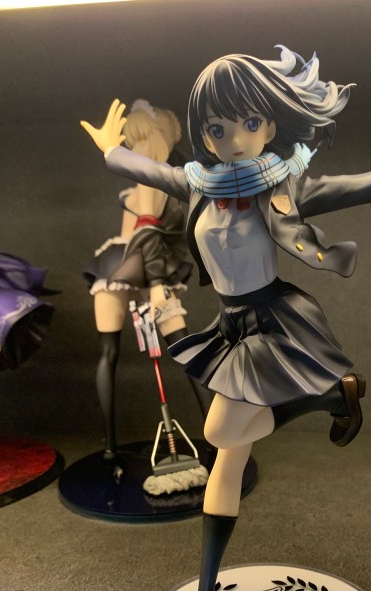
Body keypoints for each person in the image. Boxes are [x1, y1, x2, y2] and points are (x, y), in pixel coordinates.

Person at [81, 45, 371, 591]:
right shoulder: (199, 182)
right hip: (232, 324)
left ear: (270, 123)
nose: (233, 140)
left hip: (274, 321)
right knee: (227, 459)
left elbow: (363, 186)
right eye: (218, 127)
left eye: (248, 123)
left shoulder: (284, 186)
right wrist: (110, 150)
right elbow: (145, 169)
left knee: (218, 434)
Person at [83, 100, 208, 462]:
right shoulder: (156, 179)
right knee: (180, 353)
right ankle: (218, 438)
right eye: (132, 142)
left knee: (174, 352)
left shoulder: (155, 178)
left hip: (128, 268)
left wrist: (154, 285)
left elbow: (149, 231)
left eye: (141, 139)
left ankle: (111, 447)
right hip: (130, 267)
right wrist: (155, 283)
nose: (136, 147)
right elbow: (147, 232)